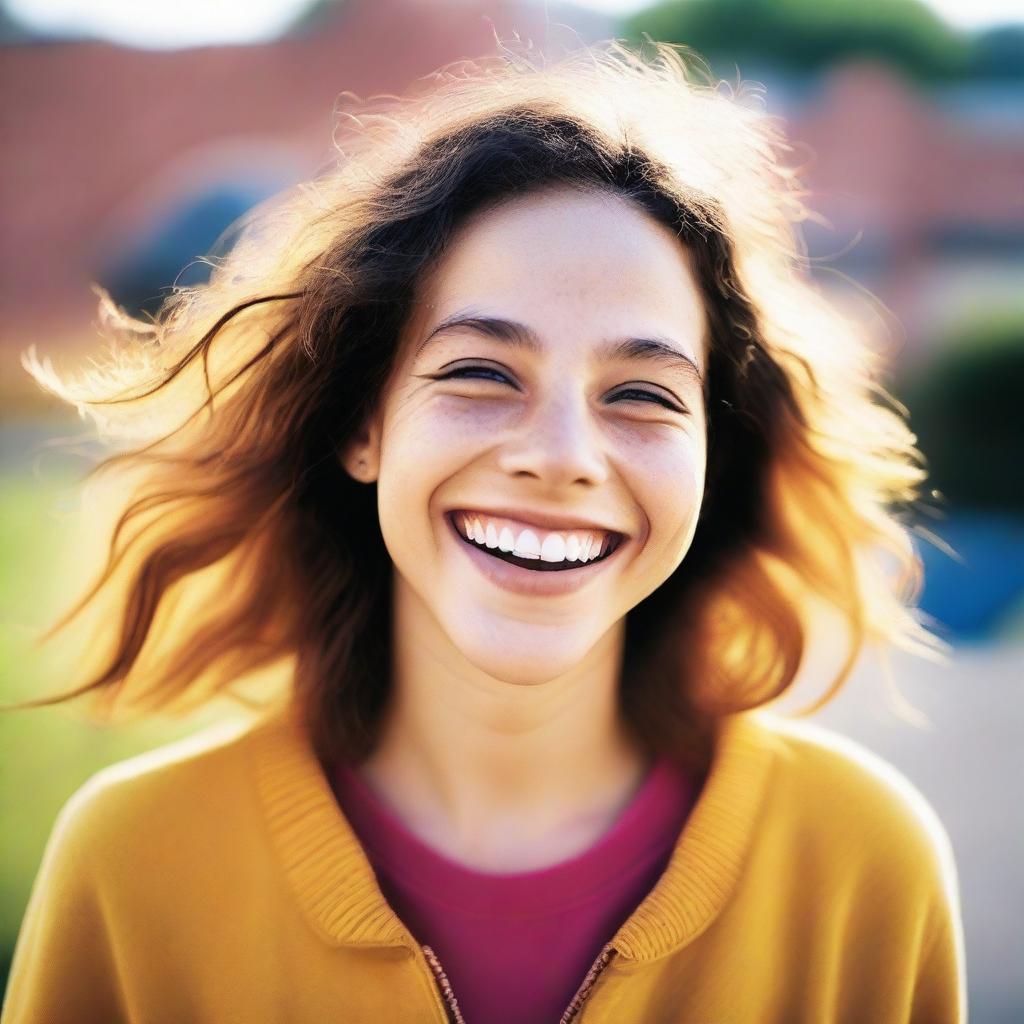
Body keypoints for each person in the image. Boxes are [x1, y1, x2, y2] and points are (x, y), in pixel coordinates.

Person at [1, 39, 965, 1024]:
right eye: (479, 372)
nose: (561, 456)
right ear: (361, 423)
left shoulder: (861, 862)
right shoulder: (135, 860)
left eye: (640, 394)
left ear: (715, 457)